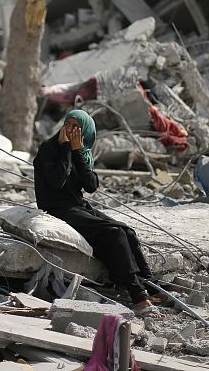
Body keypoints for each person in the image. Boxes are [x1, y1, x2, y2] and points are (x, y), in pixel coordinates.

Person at [33, 109, 164, 317]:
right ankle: (137, 296)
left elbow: (92, 185)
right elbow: (56, 182)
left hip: (78, 205)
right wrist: (66, 148)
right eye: (69, 125)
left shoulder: (82, 150)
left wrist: (77, 152)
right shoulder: (49, 148)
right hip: (57, 208)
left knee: (127, 231)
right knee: (114, 234)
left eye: (76, 128)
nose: (71, 131)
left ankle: (152, 286)